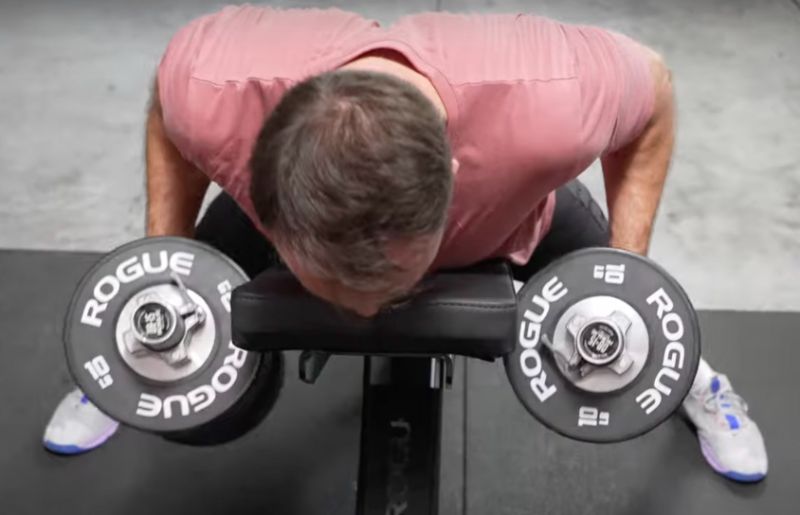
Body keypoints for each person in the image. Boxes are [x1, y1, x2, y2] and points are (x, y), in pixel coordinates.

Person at [44, 5, 767, 483]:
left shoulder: (553, 99)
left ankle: (691, 374)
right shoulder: (212, 85)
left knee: (647, 326)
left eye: (383, 293)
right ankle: (131, 347)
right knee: (167, 347)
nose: (365, 318)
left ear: (454, 182)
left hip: (514, 214)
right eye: (343, 295)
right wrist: (157, 269)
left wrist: (625, 275)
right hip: (295, 211)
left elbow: (656, 95)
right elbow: (169, 113)